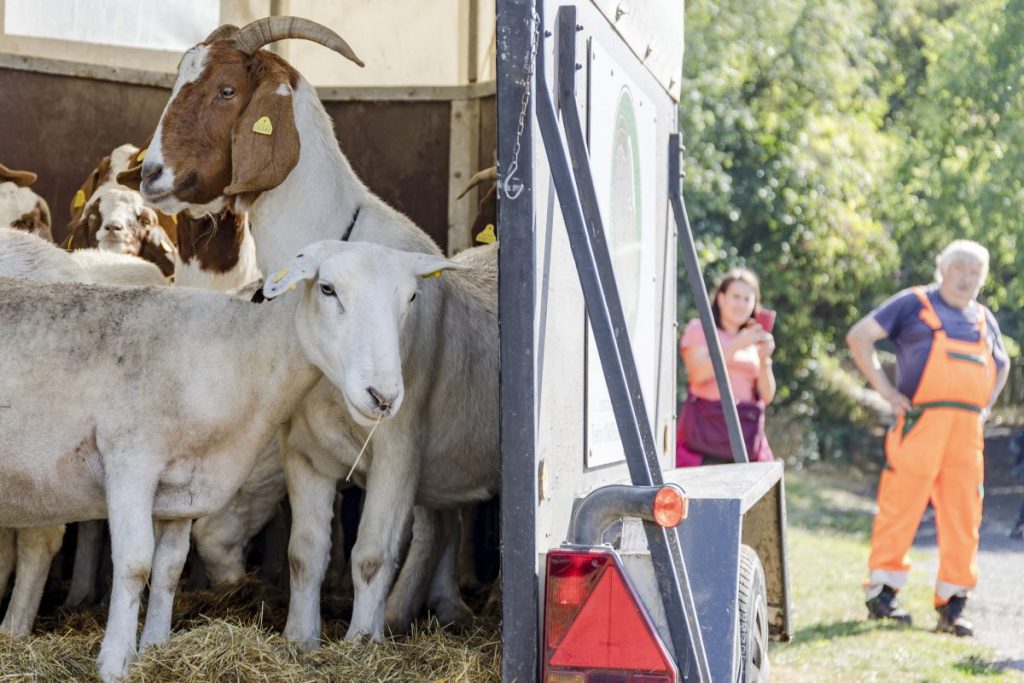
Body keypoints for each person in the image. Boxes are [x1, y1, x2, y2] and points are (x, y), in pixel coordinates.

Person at [846, 240, 1009, 637]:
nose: (966, 278)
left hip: (967, 433)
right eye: (959, 268)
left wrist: (985, 406)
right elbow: (859, 336)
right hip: (921, 423)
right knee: (901, 506)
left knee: (964, 516)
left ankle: (954, 605)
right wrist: (886, 392)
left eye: (975, 272)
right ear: (942, 269)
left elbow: (1001, 365)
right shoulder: (913, 303)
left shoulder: (984, 319)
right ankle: (883, 595)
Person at [676, 268, 776, 467]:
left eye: (747, 299)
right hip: (705, 436)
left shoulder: (754, 339)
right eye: (736, 297)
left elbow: (766, 396)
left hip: (744, 437)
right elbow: (698, 375)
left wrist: (765, 360)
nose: (741, 304)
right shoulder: (700, 329)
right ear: (721, 299)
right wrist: (737, 344)